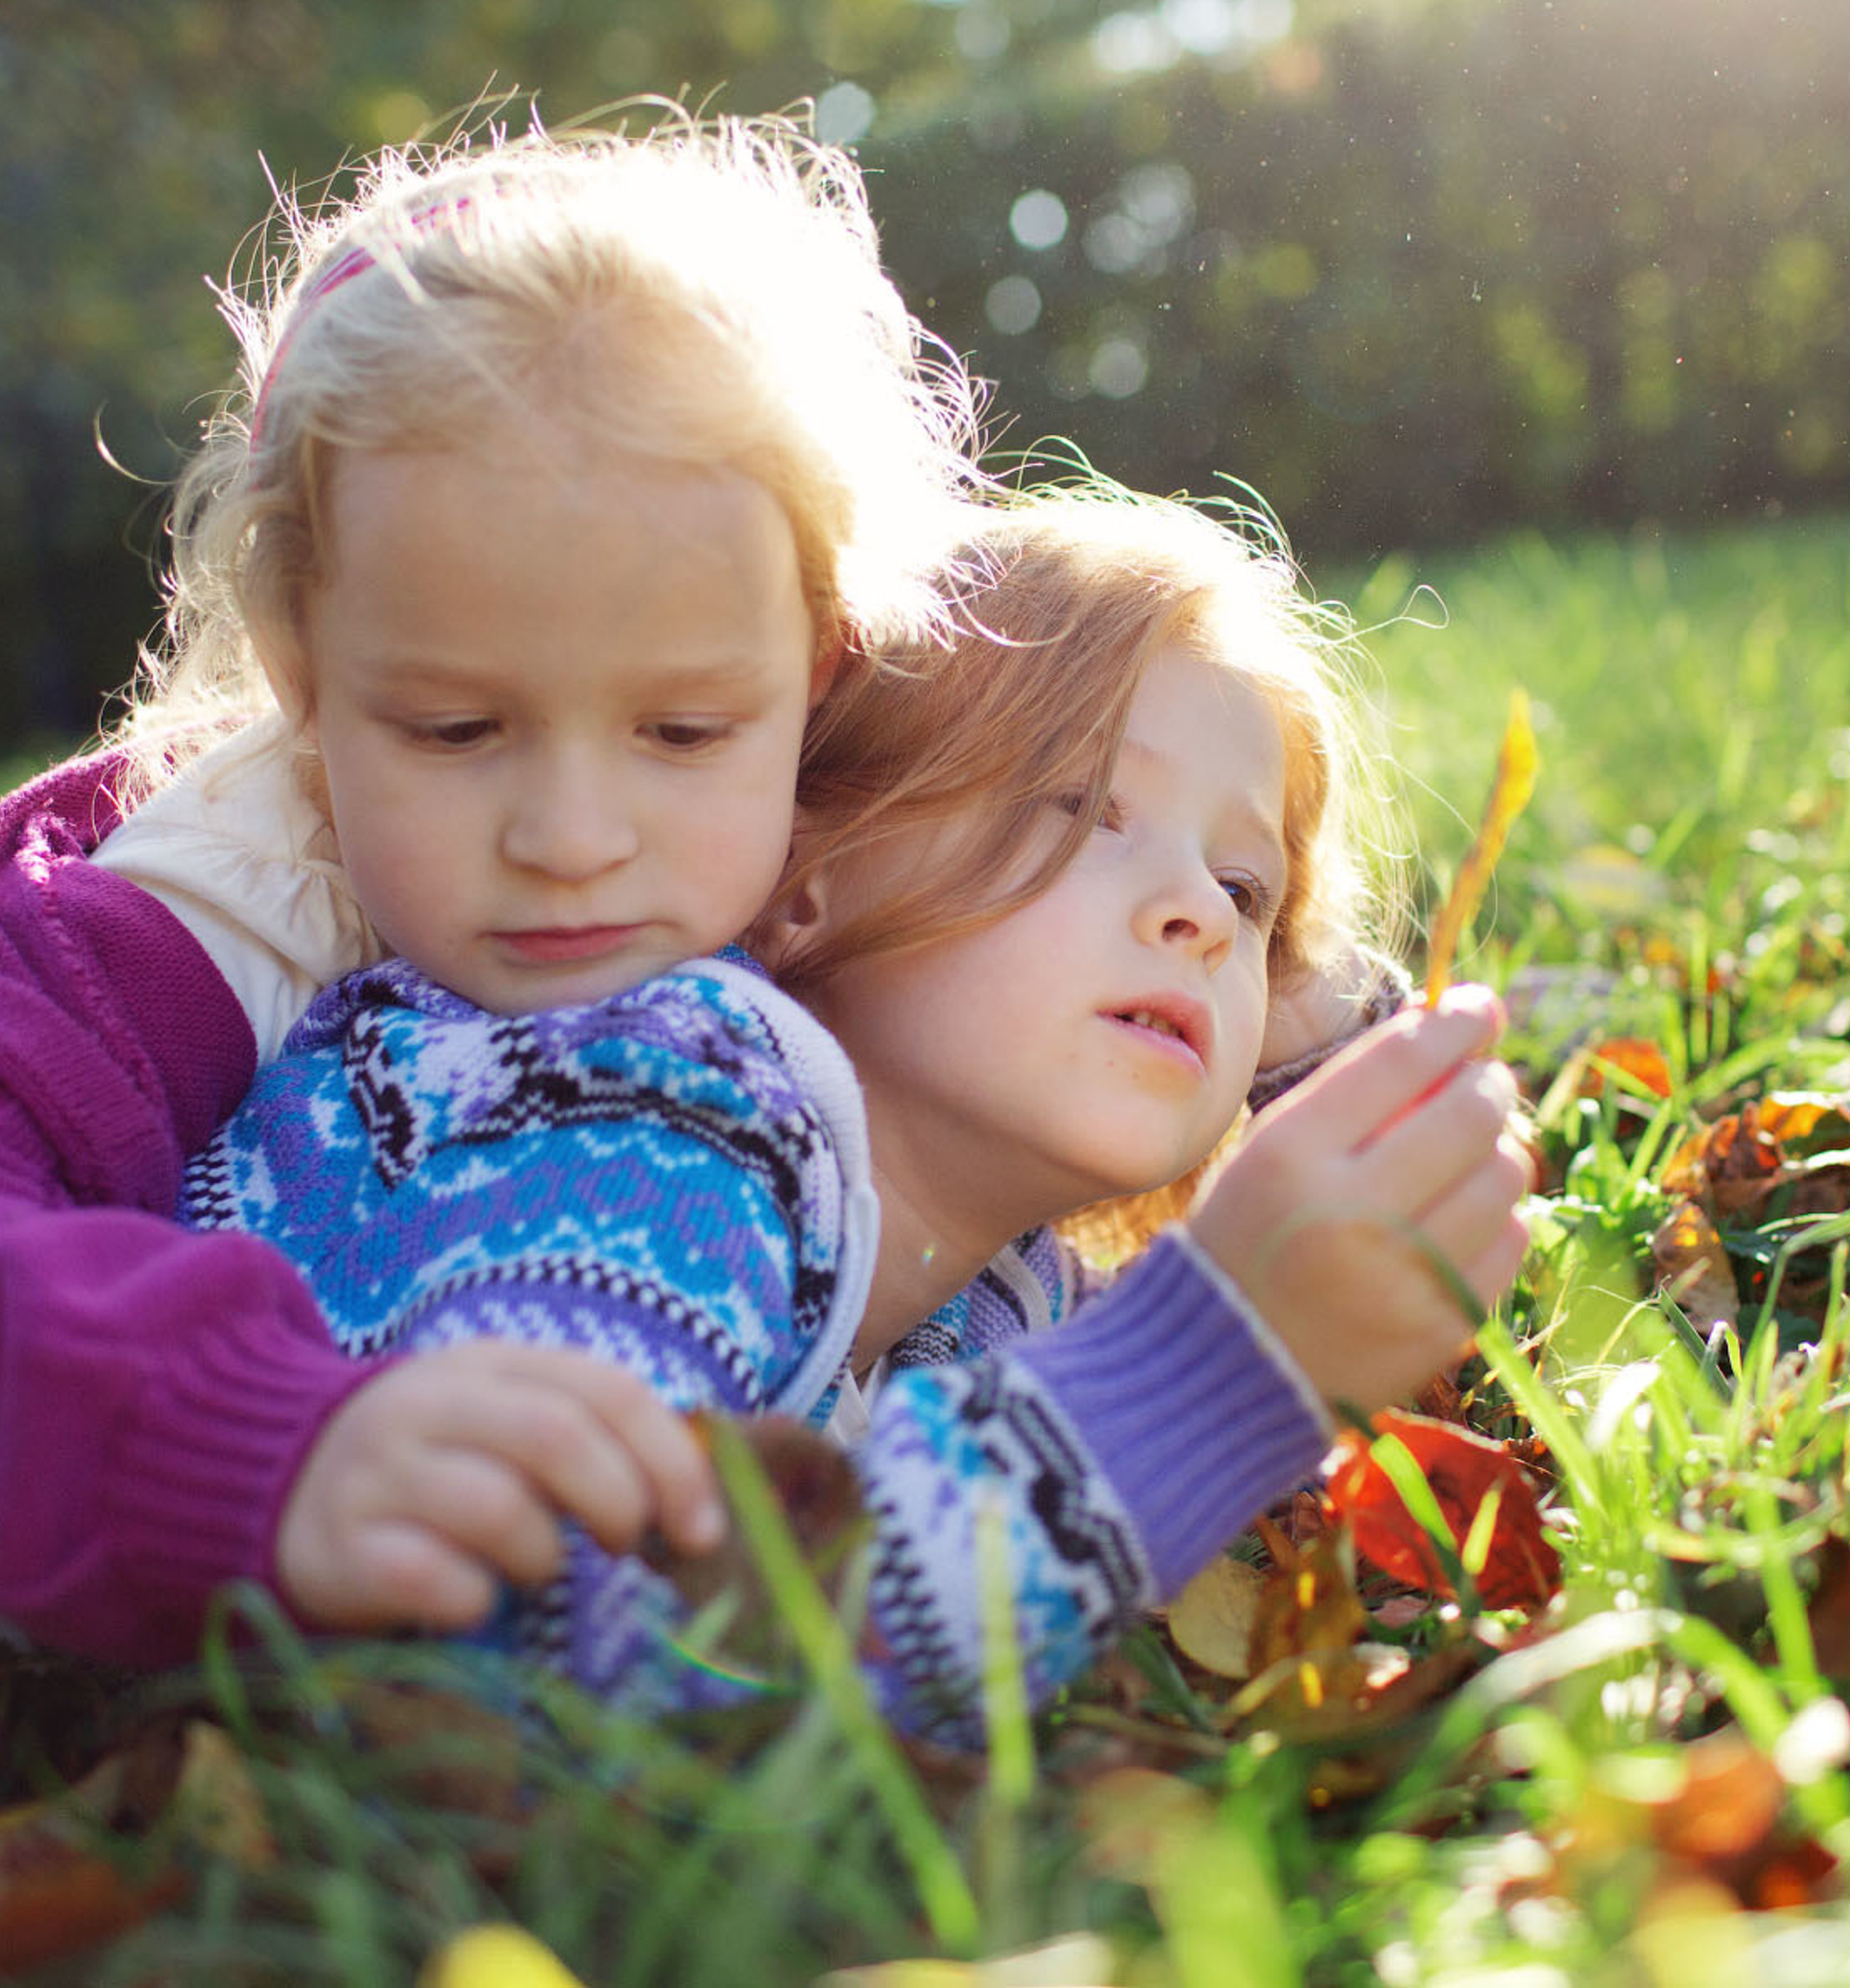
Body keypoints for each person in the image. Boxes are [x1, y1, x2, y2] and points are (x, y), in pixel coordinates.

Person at [181, 485, 1533, 1734]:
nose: (1192, 911)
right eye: (1080, 807)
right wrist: (1219, 1371)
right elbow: (548, 1668)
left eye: (1244, 890)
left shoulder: (988, 1277)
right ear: (802, 867)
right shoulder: (646, 1117)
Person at [0, 104, 981, 1666]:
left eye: (682, 730)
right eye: (456, 731)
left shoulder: (838, 794)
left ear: (825, 662)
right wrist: (262, 1444)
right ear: (303, 674)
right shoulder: (172, 935)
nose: (572, 834)